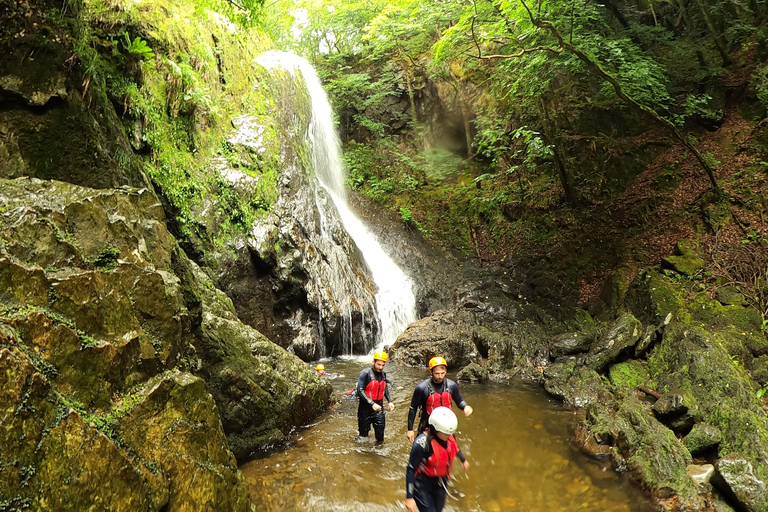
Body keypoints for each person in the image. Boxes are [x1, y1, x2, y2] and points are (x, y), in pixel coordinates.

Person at [405, 407, 469, 512]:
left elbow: (455, 448)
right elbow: (411, 469)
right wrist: (409, 497)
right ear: (435, 429)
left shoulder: (450, 435)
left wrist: (463, 460)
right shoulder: (421, 443)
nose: (449, 436)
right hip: (422, 485)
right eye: (446, 433)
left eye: (450, 433)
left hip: (440, 482)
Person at [406, 356, 473, 443]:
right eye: (437, 373)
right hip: (428, 425)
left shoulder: (451, 386)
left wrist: (465, 407)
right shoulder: (422, 388)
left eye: (443, 373)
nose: (440, 376)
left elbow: (459, 400)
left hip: (447, 425)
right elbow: (413, 408)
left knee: (449, 451)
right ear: (431, 372)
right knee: (424, 452)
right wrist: (410, 429)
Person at [356, 350, 396, 444]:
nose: (380, 367)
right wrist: (372, 403)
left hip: (379, 408)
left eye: (383, 365)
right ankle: (363, 454)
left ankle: (379, 453)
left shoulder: (383, 374)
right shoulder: (365, 373)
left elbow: (384, 388)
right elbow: (360, 390)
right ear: (373, 362)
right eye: (378, 364)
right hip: (365, 408)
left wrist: (389, 401)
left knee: (380, 435)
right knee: (363, 436)